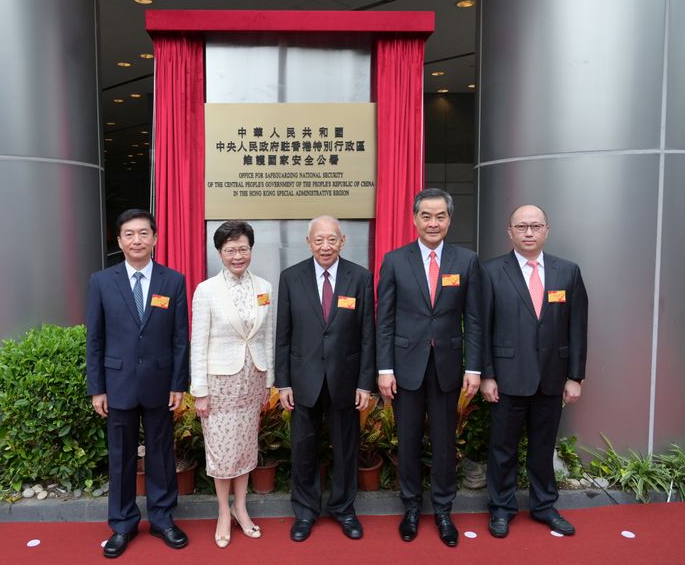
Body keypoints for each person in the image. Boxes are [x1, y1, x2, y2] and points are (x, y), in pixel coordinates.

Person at [376, 188, 483, 547]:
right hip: (405, 367)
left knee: (443, 442)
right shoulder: (394, 261)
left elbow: (475, 319)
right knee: (406, 442)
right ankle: (410, 507)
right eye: (426, 216)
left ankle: (442, 509)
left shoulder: (466, 261)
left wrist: (475, 367)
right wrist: (384, 368)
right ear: (414, 219)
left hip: (448, 367)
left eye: (440, 216)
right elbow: (384, 320)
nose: (433, 223)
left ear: (449, 220)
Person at [86, 209, 189, 558]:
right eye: (129, 234)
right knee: (121, 457)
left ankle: (162, 519)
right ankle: (123, 524)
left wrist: (179, 384)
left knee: (161, 454)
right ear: (119, 240)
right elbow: (95, 340)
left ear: (155, 238)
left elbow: (179, 339)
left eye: (143, 233)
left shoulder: (173, 281)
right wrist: (97, 388)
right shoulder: (102, 281)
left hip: (160, 383)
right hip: (118, 383)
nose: (137, 240)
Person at [481, 204, 588, 538]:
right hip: (507, 378)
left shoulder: (567, 272)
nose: (529, 232)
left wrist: (575, 376)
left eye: (535, 226)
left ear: (546, 230)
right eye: (522, 226)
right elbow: (481, 328)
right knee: (502, 449)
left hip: (551, 377)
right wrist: (487, 374)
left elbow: (577, 327)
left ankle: (544, 506)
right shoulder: (491, 272)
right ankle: (501, 508)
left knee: (543, 447)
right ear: (509, 232)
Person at [275, 215, 376, 542]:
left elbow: (367, 336)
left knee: (346, 449)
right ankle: (305, 511)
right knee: (303, 450)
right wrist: (283, 382)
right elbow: (283, 334)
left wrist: (365, 383)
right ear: (309, 243)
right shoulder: (291, 278)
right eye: (319, 240)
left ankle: (344, 509)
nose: (325, 246)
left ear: (342, 241)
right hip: (303, 381)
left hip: (345, 381)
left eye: (331, 239)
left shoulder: (359, 277)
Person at [190, 221, 275, 548]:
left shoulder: (264, 286)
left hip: (252, 380)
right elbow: (198, 344)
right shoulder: (206, 290)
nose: (237, 255)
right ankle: (223, 511)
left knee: (244, 447)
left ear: (251, 250)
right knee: (222, 451)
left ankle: (241, 506)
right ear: (220, 253)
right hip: (219, 384)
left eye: (243, 249)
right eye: (230, 250)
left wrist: (269, 378)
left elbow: (266, 336)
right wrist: (199, 390)